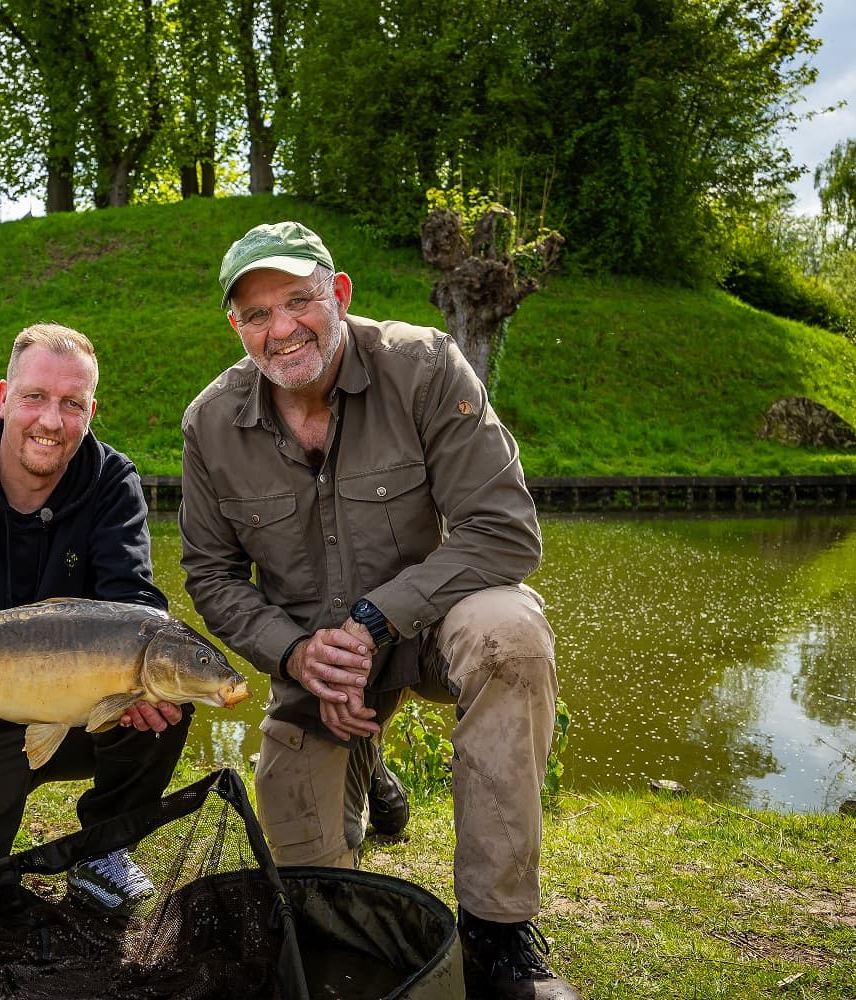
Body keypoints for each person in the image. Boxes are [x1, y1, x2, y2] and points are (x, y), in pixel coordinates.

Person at [179, 222, 579, 999]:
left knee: (511, 633)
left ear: (339, 293)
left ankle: (499, 938)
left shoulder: (424, 366)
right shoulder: (209, 423)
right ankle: (370, 767)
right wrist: (297, 655)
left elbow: (503, 531)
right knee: (315, 900)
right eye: (255, 314)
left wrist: (370, 621)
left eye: (298, 300)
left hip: (432, 633)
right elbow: (212, 574)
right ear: (236, 327)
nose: (281, 328)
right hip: (317, 667)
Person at [0, 323, 188, 913]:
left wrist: (146, 671)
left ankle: (104, 845)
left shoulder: (113, 483)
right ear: (3, 397)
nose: (52, 420)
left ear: (91, 411)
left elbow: (134, 600)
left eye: (72, 404)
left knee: (166, 699)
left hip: (86, 710)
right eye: (34, 398)